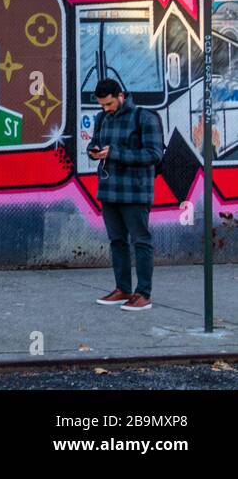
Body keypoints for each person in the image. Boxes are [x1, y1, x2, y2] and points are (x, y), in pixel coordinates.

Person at [87, 78, 163, 311]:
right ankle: (123, 289)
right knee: (117, 241)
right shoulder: (102, 118)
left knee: (141, 241)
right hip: (109, 190)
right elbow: (95, 144)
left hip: (136, 191)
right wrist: (94, 152)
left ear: (121, 96)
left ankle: (143, 294)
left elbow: (153, 154)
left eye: (109, 104)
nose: (105, 109)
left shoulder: (144, 118)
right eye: (101, 105)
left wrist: (116, 153)